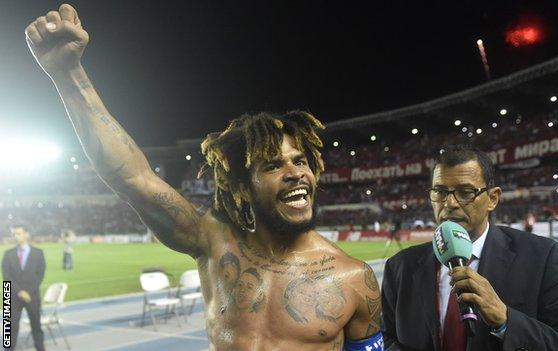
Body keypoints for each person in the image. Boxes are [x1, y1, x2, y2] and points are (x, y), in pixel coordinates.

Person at [26, 5, 382, 350]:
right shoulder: (215, 241)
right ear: (243, 186)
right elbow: (133, 179)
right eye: (272, 166)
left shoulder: (354, 279)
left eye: (300, 161)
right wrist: (67, 73)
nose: (295, 173)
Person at [381, 145, 558, 350]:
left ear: (493, 198)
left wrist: (505, 319)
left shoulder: (543, 258)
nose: (450, 203)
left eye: (465, 192)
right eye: (440, 191)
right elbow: (387, 339)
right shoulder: (400, 267)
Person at [2, 226, 47, 351]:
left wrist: (29, 291)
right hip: (12, 296)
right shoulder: (8, 254)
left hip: (32, 295)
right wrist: (20, 291)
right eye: (15, 234)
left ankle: (40, 348)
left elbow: (40, 275)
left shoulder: (38, 253)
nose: (16, 236)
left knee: (36, 326)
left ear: (26, 234)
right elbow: (6, 276)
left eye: (19, 233)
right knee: (9, 327)